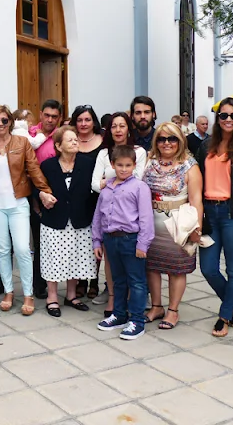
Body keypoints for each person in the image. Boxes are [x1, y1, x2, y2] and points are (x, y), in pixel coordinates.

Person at [0, 105, 55, 316]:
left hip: (18, 204)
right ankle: (8, 292)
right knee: (2, 250)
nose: (1, 124)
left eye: (4, 120)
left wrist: (45, 190)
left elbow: (33, 169)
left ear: (10, 121)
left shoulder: (22, 143)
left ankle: (28, 294)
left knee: (21, 248)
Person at [196, 98, 233, 337]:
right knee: (208, 268)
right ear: (217, 118)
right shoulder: (207, 145)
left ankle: (224, 315)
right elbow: (197, 180)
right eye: (224, 115)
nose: (228, 120)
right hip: (209, 213)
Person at [143, 123, 203, 329]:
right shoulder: (149, 161)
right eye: (161, 139)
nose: (166, 143)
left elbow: (196, 199)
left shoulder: (190, 165)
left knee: (177, 269)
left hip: (179, 223)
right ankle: (156, 306)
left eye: (172, 139)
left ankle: (173, 311)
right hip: (151, 221)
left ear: (180, 141)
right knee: (151, 267)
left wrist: (197, 227)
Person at [94, 145, 155, 340]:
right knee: (118, 280)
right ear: (112, 165)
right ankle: (119, 314)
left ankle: (137, 320)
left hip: (131, 240)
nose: (123, 169)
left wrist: (142, 244)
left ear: (134, 165)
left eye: (128, 165)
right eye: (119, 165)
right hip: (111, 240)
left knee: (136, 281)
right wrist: (97, 241)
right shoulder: (106, 189)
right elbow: (98, 216)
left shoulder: (140, 187)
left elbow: (146, 218)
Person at [91, 112, 147, 316]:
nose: (118, 130)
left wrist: (109, 179)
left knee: (133, 271)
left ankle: (135, 309)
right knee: (112, 265)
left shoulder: (139, 151)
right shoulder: (103, 154)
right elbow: (95, 184)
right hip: (109, 217)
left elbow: (137, 179)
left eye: (122, 126)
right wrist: (108, 183)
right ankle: (114, 301)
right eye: (114, 126)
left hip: (130, 222)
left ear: (128, 128)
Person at [39, 126, 97, 317]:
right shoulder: (48, 166)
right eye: (70, 140)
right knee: (54, 258)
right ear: (58, 145)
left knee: (76, 256)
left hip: (80, 219)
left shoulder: (88, 163)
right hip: (55, 219)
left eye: (75, 139)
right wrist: (42, 195)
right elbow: (35, 186)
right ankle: (52, 297)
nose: (75, 142)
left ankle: (71, 295)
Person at [28, 99, 63, 299]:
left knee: (43, 242)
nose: (50, 120)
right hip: (28, 191)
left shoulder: (60, 136)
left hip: (50, 193)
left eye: (54, 116)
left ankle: (39, 284)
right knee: (19, 241)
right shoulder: (30, 134)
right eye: (47, 115)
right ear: (40, 114)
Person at [70, 105, 104, 299]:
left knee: (95, 238)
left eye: (87, 120)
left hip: (97, 197)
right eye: (80, 120)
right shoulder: (70, 140)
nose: (83, 124)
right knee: (79, 239)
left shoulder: (102, 141)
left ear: (94, 122)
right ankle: (81, 280)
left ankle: (94, 280)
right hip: (76, 197)